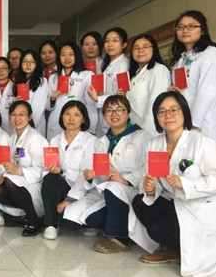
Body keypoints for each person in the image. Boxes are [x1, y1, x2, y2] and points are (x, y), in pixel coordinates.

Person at [133, 92, 216, 277]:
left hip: (198, 206)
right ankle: (172, 247)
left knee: (156, 229)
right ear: (156, 117)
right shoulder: (154, 144)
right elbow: (147, 176)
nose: (168, 115)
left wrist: (185, 184)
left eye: (173, 110)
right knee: (140, 202)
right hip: (173, 202)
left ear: (184, 112)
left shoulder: (200, 142)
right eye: (162, 111)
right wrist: (150, 188)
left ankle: (174, 246)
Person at [61, 96, 150, 253]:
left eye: (119, 110)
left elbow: (148, 167)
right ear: (104, 115)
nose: (114, 114)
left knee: (113, 188)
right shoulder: (102, 141)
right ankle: (124, 227)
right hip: (108, 193)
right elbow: (98, 175)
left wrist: (126, 179)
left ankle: (118, 239)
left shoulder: (142, 136)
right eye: (109, 110)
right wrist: (89, 177)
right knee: (79, 216)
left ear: (128, 112)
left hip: (136, 190)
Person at [41, 100, 97, 240]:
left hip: (82, 192)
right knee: (50, 178)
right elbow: (45, 169)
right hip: (61, 187)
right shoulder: (54, 141)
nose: (71, 118)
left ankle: (87, 222)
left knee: (70, 224)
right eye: (67, 114)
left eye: (76, 115)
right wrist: (57, 171)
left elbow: (87, 174)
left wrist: (69, 199)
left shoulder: (91, 141)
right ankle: (51, 225)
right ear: (62, 117)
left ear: (83, 119)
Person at [0, 101, 48, 231]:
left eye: (22, 114)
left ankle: (34, 220)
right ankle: (28, 213)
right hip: (19, 182)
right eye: (14, 114)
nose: (17, 118)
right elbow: (9, 163)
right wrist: (4, 175)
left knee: (9, 182)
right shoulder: (12, 137)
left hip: (34, 183)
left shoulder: (35, 138)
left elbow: (42, 170)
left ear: (30, 117)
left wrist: (19, 171)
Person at [168, 10, 216, 143]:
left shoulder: (210, 53)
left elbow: (208, 90)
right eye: (181, 27)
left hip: (203, 122)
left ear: (202, 30)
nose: (185, 30)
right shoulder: (181, 60)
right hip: (184, 121)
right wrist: (172, 92)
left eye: (191, 26)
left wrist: (194, 123)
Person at [46, 42, 96, 140]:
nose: (67, 58)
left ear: (77, 56)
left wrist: (90, 127)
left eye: (71, 54)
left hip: (77, 122)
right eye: (63, 55)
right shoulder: (53, 77)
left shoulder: (87, 75)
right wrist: (52, 99)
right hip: (56, 122)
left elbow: (91, 105)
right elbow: (47, 106)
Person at [125, 34, 170, 137]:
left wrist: (146, 135)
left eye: (145, 47)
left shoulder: (159, 70)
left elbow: (156, 104)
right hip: (133, 132)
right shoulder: (134, 76)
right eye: (136, 48)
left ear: (154, 49)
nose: (140, 51)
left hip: (150, 132)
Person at [88, 28, 129, 136]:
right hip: (105, 115)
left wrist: (97, 99)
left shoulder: (123, 65)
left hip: (115, 116)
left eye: (115, 40)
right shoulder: (107, 64)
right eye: (107, 41)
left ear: (124, 44)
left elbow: (121, 95)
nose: (110, 44)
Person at [12, 49, 49, 136]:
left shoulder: (41, 81)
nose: (28, 64)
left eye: (32, 62)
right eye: (25, 61)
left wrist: (29, 124)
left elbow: (38, 107)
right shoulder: (20, 80)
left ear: (37, 64)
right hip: (20, 122)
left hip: (33, 125)